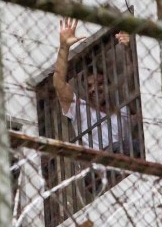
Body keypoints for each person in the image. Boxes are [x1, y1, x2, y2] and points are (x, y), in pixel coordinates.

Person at [53, 18, 136, 156]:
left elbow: (132, 77)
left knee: (132, 146)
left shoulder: (123, 110)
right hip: (100, 165)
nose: (94, 89)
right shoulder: (80, 109)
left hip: (124, 161)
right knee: (125, 147)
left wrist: (128, 49)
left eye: (100, 83)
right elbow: (58, 82)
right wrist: (64, 48)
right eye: (89, 86)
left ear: (110, 85)